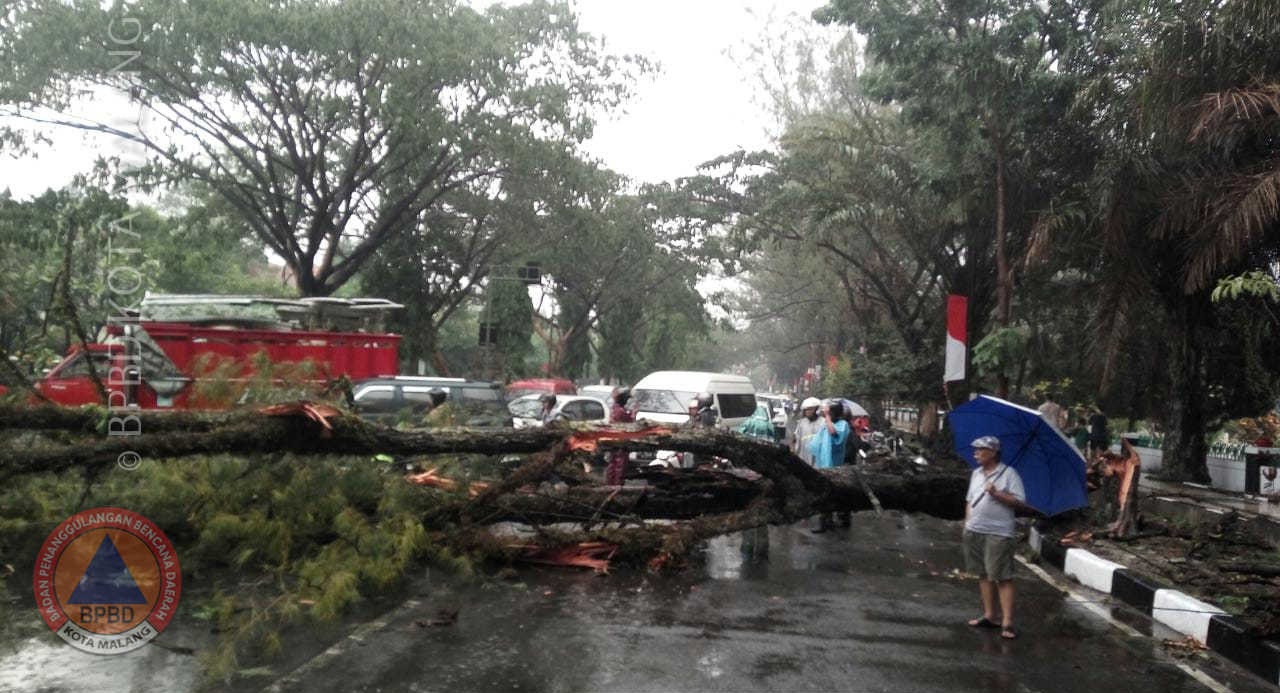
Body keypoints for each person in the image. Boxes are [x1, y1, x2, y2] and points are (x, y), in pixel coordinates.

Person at [963, 435, 1027, 640]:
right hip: (975, 530)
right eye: (975, 449)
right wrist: (967, 523)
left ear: (993, 452)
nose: (975, 453)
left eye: (980, 449)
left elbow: (1019, 503)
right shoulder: (976, 474)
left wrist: (997, 493)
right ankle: (990, 615)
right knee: (983, 573)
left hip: (998, 532)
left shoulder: (1009, 474)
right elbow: (969, 499)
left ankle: (1007, 622)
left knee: (1001, 576)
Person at [807, 399, 850, 532]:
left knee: (834, 493)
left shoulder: (843, 425)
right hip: (823, 464)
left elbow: (834, 434)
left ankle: (841, 518)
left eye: (829, 411)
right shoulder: (827, 424)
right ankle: (826, 522)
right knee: (824, 493)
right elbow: (817, 444)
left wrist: (827, 417)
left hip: (835, 465)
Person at [605, 388, 635, 485]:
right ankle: (617, 485)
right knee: (619, 464)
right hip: (620, 441)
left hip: (614, 440)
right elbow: (630, 422)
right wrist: (633, 414)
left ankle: (611, 484)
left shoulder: (615, 408)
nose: (627, 401)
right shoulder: (620, 411)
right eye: (626, 399)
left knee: (613, 463)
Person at [791, 397, 823, 467]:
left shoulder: (823, 423)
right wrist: (793, 450)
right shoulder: (802, 423)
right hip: (803, 456)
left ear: (817, 410)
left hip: (817, 458)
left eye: (810, 409)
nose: (807, 411)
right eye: (806, 410)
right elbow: (795, 437)